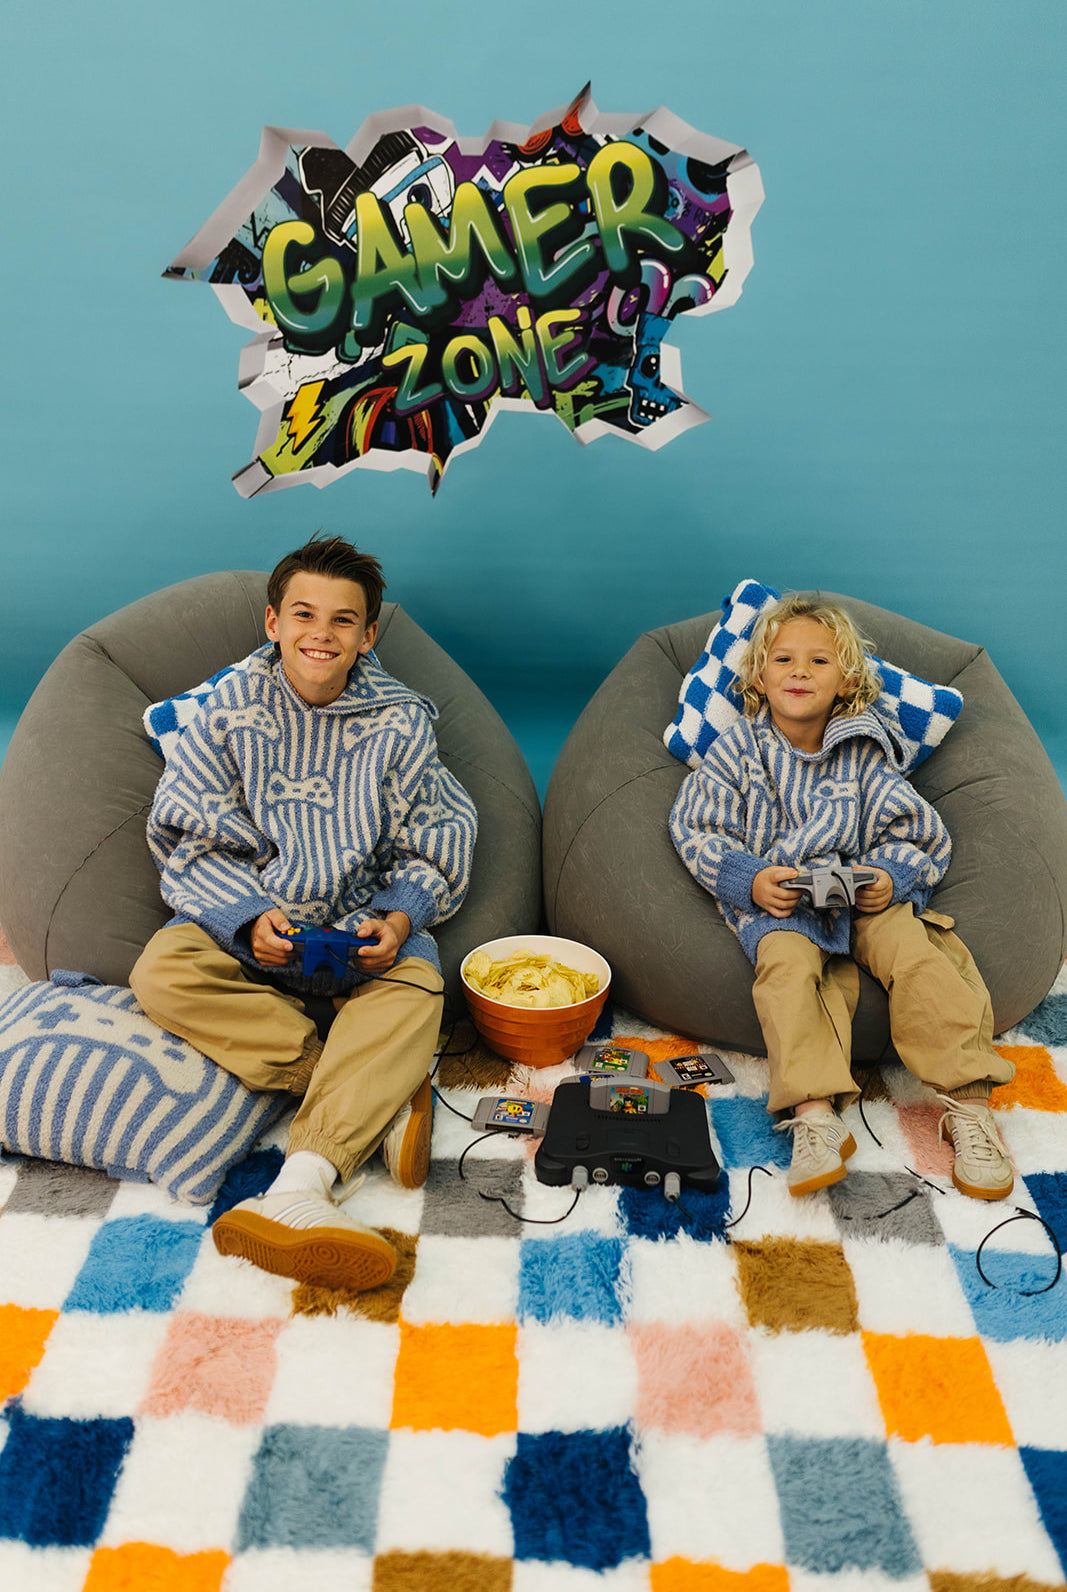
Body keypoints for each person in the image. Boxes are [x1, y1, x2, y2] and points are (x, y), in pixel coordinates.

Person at [130, 534, 477, 1289]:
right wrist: (247, 918)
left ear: (368, 635)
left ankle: (301, 1183)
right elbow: (185, 833)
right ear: (272, 623)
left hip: (355, 932)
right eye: (304, 615)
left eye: (343, 621)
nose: (322, 633)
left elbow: (440, 832)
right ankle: (370, 1099)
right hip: (259, 930)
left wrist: (396, 915)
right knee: (160, 969)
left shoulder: (400, 723)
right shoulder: (225, 712)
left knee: (420, 986)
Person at [670, 594, 1015, 1200]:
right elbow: (695, 826)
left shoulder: (865, 753)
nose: (799, 671)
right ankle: (814, 1118)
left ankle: (968, 1105)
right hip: (781, 899)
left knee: (918, 954)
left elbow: (918, 829)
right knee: (785, 970)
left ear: (848, 680)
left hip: (863, 898)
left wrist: (888, 877)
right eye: (783, 658)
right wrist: (749, 880)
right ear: (758, 674)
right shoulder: (737, 751)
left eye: (818, 661)